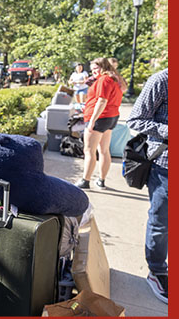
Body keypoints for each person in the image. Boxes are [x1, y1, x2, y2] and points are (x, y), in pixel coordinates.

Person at [127, 69, 168, 304]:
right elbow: (135, 119)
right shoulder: (162, 80)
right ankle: (157, 271)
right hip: (165, 166)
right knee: (161, 222)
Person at [75, 58, 123, 190]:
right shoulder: (114, 79)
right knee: (104, 150)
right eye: (92, 70)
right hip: (111, 117)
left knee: (89, 150)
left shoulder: (104, 80)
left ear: (103, 67)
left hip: (100, 118)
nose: (94, 72)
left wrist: (92, 120)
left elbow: (102, 101)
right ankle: (101, 181)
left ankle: (85, 181)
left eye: (96, 69)